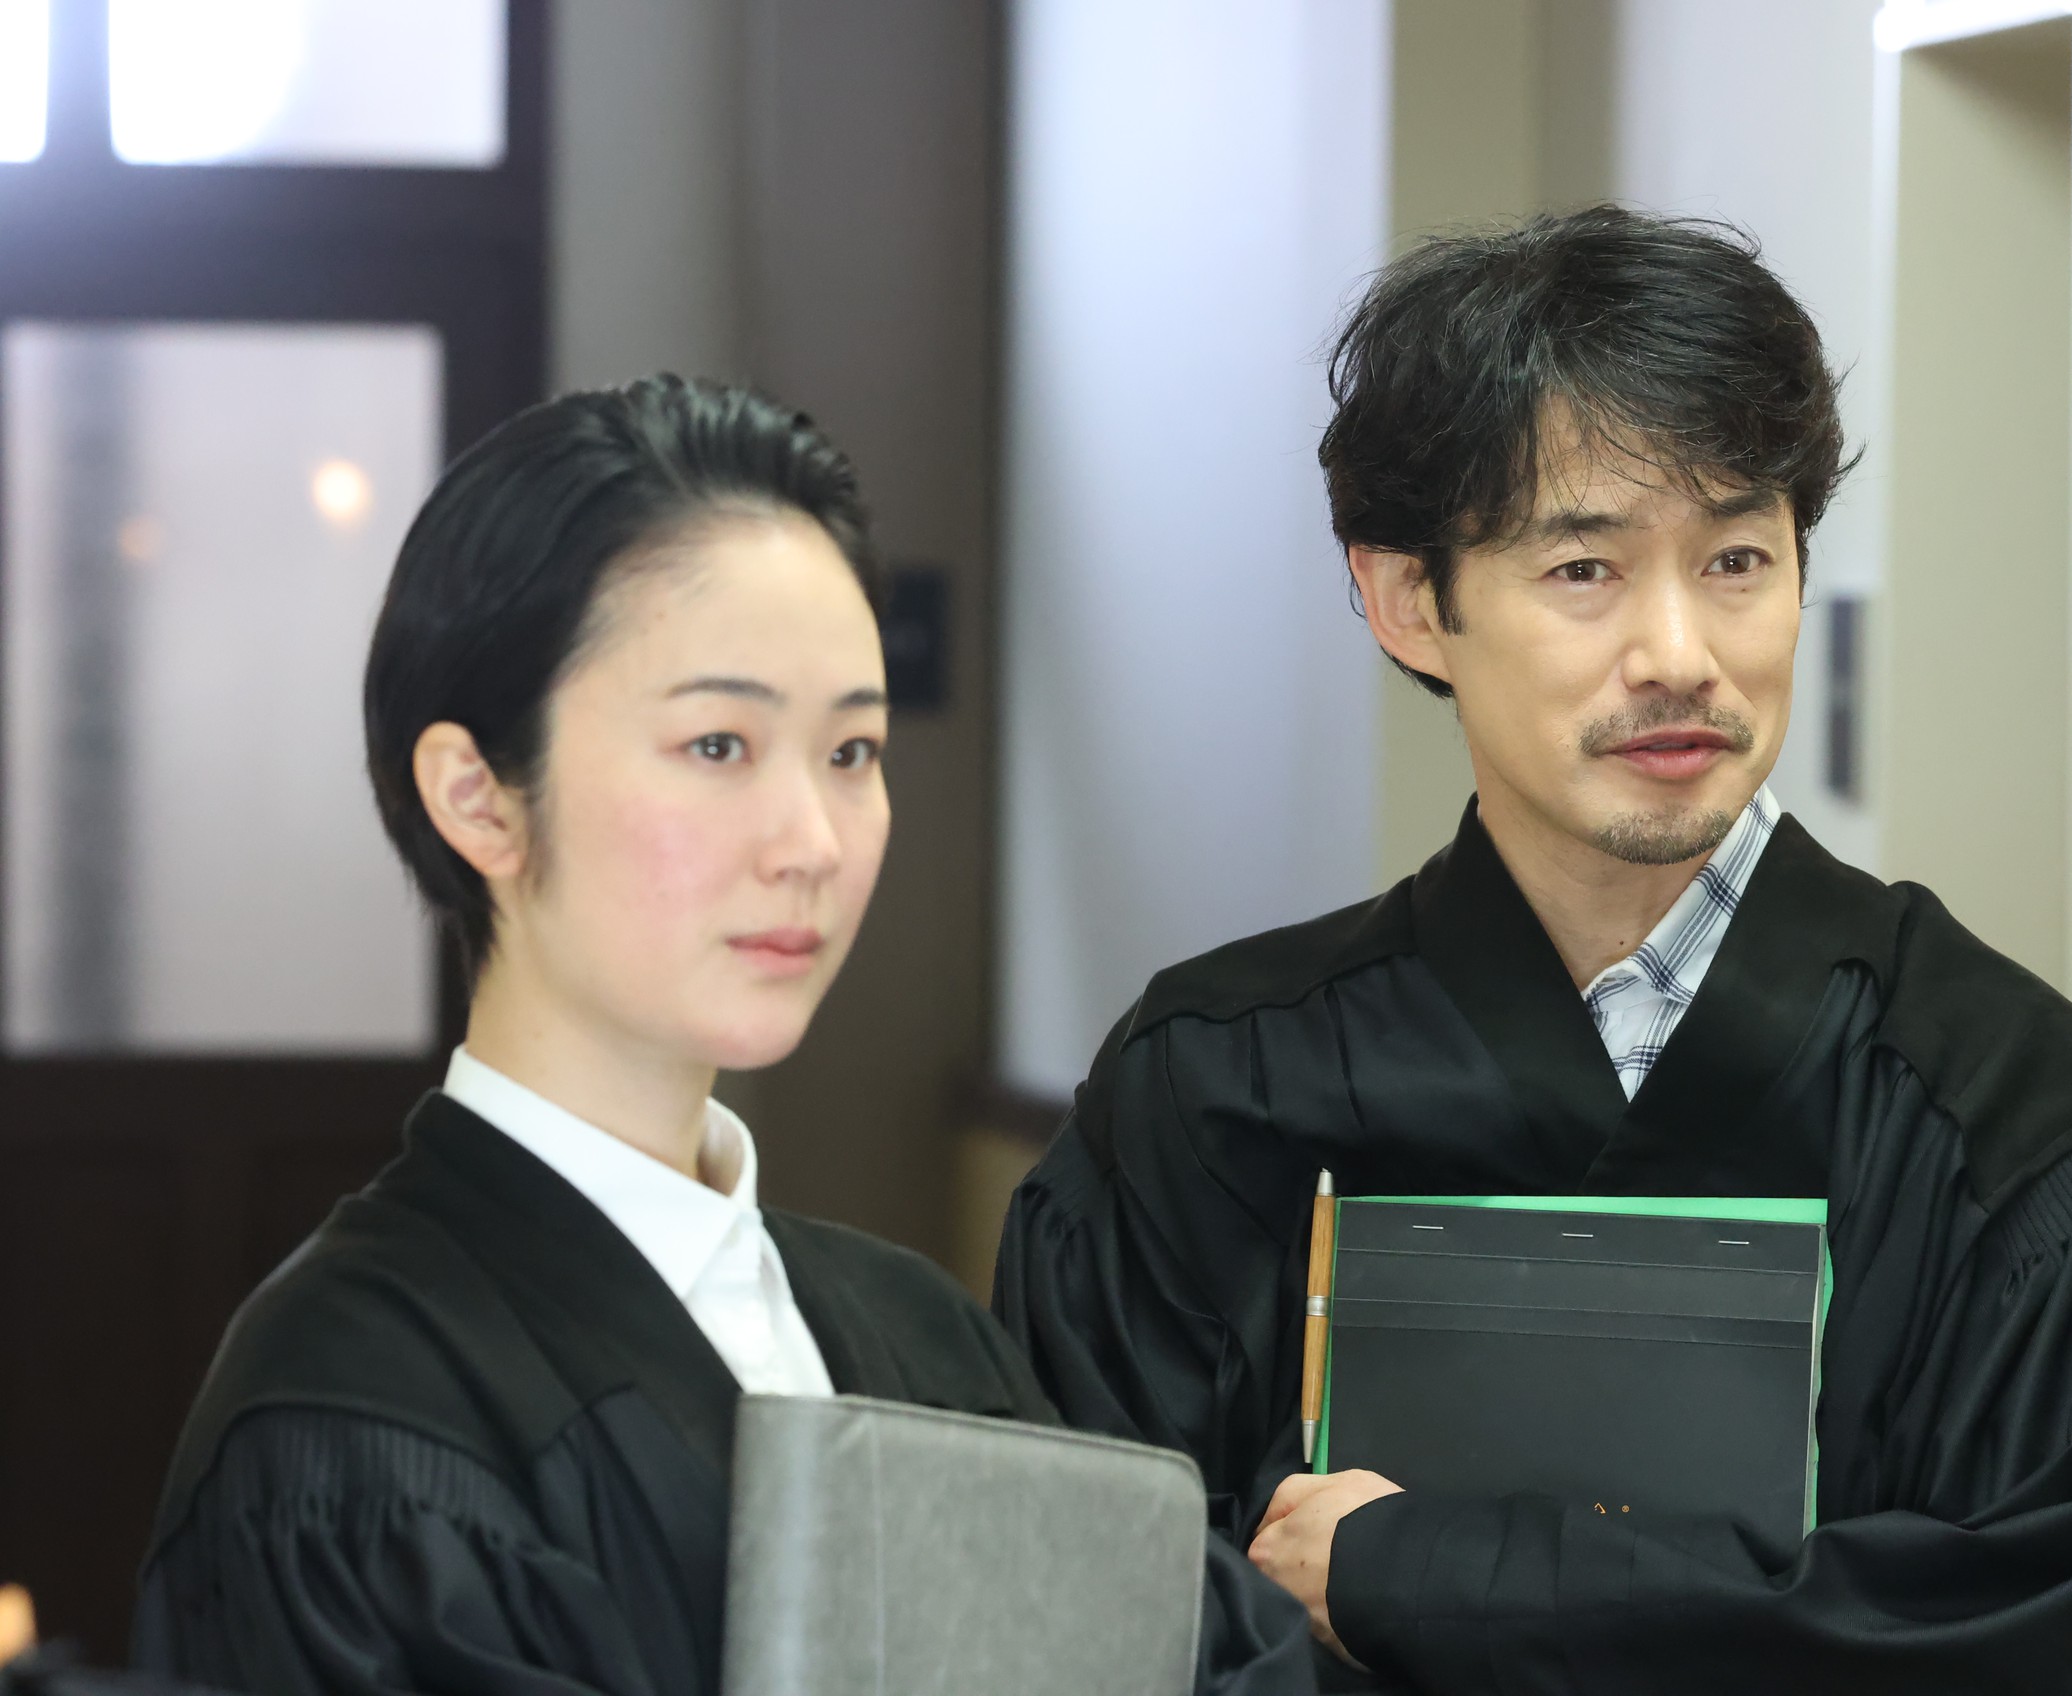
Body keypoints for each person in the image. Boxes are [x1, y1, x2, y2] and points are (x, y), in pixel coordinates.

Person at [994, 209, 2072, 1694]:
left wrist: (1416, 1575)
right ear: (1409, 601)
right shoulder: (1211, 1096)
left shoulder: (2014, 1122)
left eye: (1738, 558)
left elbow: (2020, 1644)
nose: (1680, 654)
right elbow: (1076, 1620)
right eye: (1585, 570)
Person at [132, 377, 1312, 1696]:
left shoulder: (923, 1339)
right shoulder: (350, 1424)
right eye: (716, 745)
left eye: (852, 752)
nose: (810, 842)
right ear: (478, 797)